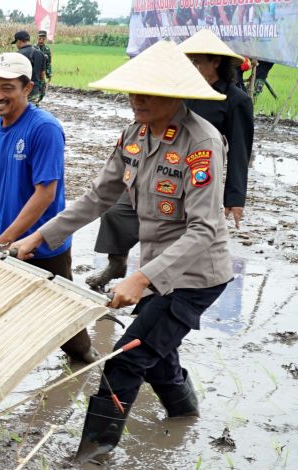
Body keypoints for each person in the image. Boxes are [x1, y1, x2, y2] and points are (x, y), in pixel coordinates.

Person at [11, 40, 232, 462]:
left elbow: (205, 227)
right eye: (133, 92)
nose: (137, 101)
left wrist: (140, 278)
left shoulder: (201, 144)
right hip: (152, 268)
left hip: (195, 275)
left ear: (176, 93)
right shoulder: (133, 135)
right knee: (157, 351)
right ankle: (184, 415)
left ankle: (93, 455)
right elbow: (98, 196)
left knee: (127, 357)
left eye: (148, 93)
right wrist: (39, 237)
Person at [87, 29, 253, 291]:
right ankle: (116, 263)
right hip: (155, 167)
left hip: (194, 176)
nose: (191, 67)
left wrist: (235, 198)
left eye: (197, 62)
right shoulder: (176, 93)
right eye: (188, 62)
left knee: (182, 230)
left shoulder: (236, 100)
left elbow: (241, 149)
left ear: (216, 62)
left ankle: (165, 282)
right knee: (116, 212)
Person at [0, 52, 97, 363]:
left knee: (66, 326)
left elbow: (46, 192)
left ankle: (88, 362)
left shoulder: (44, 128)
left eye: (7, 88)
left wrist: (10, 238)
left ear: (28, 88)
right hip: (4, 242)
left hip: (43, 244)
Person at [12, 31, 47, 106]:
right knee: (32, 112)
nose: (16, 45)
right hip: (35, 89)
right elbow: (42, 75)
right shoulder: (41, 54)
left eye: (16, 43)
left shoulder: (18, 55)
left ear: (19, 41)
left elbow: (13, 75)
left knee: (19, 113)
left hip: (21, 89)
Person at [36, 29, 53, 96]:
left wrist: (49, 74)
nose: (41, 40)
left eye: (43, 38)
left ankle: (37, 103)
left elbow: (48, 63)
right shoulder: (33, 48)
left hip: (42, 75)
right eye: (40, 38)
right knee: (34, 92)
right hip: (34, 75)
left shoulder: (47, 49)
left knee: (42, 93)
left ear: (45, 38)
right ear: (37, 38)